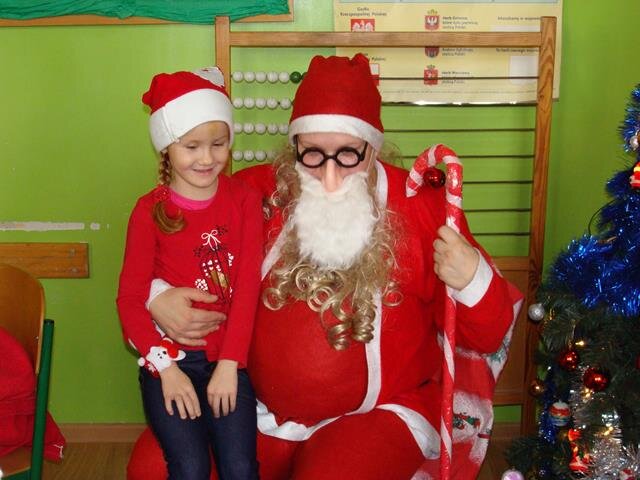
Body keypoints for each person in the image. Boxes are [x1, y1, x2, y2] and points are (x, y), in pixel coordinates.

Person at [136, 54, 523, 479]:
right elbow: (167, 242)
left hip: (378, 414)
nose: (330, 176)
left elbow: (487, 335)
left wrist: (471, 279)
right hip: (254, 407)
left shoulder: (421, 207)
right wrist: (157, 297)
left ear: (373, 147)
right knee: (154, 469)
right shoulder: (251, 192)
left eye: (349, 154)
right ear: (294, 145)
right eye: (313, 154)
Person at [116, 66, 262, 479]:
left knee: (240, 467)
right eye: (191, 146)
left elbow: (247, 288)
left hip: (227, 362)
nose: (207, 158)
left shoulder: (245, 200)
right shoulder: (149, 211)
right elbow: (129, 300)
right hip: (168, 365)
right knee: (190, 466)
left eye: (218, 144)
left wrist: (230, 365)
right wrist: (166, 370)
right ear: (167, 147)